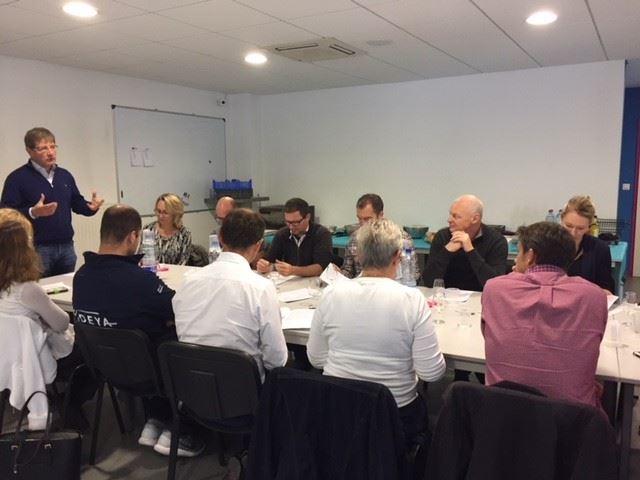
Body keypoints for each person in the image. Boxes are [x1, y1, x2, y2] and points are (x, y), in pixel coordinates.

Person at [307, 219, 446, 461]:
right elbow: (431, 373)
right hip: (395, 414)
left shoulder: (331, 294)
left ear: (358, 255)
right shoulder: (412, 299)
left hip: (338, 410)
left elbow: (316, 359)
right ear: (398, 257)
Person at [72, 204, 203, 457]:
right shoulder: (140, 280)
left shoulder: (82, 276)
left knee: (142, 337)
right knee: (181, 342)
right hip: (150, 372)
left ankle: (156, 417)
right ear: (133, 236)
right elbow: (178, 310)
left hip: (106, 370)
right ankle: (183, 429)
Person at [482, 222, 608, 409]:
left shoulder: (495, 288)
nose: (516, 259)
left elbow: (488, 335)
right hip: (571, 418)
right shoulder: (594, 296)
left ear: (530, 256)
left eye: (519, 253)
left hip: (502, 413)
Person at [173, 208, 288, 380]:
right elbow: (276, 360)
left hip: (192, 385)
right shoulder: (261, 288)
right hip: (243, 389)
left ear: (220, 238)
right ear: (258, 245)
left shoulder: (188, 281)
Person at [0, 208, 75, 429]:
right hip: (30, 360)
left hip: (7, 358)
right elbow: (61, 323)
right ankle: (70, 408)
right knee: (87, 356)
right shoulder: (27, 289)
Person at [1, 127, 104, 277]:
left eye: (53, 146)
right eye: (43, 148)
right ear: (29, 151)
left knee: (66, 287)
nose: (50, 152)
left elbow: (76, 202)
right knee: (39, 288)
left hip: (66, 246)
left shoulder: (64, 175)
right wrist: (33, 212)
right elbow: (6, 214)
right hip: (37, 248)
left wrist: (90, 207)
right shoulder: (17, 178)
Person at [423, 194, 507, 291]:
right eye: (450, 214)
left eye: (456, 216)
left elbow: (495, 285)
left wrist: (471, 251)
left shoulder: (496, 241)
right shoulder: (442, 236)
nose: (449, 220)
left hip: (480, 296)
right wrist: (447, 251)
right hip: (446, 295)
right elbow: (428, 281)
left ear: (475, 219)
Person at [342, 193, 420, 281]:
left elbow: (414, 275)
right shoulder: (355, 239)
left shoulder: (401, 239)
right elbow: (348, 271)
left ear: (380, 215)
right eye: (359, 218)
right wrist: (338, 274)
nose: (362, 224)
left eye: (367, 219)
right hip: (362, 286)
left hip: (394, 287)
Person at [256, 197, 333, 277]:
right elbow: (269, 260)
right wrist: (263, 265)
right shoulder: (282, 234)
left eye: (296, 222)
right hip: (289, 280)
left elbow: (321, 268)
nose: (291, 227)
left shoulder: (321, 234)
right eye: (288, 222)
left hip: (313, 280)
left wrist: (293, 270)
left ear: (307, 217)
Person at [560, 195, 615, 293]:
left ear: (588, 227)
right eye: (568, 226)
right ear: (561, 220)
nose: (573, 233)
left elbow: (606, 287)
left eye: (580, 228)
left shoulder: (600, 249)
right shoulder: (547, 246)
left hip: (587, 301)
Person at [142, 193, 192, 265]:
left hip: (175, 271)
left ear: (175, 214)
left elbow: (183, 262)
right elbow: (142, 257)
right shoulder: (149, 230)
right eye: (158, 211)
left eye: (165, 213)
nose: (160, 216)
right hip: (151, 270)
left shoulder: (184, 234)